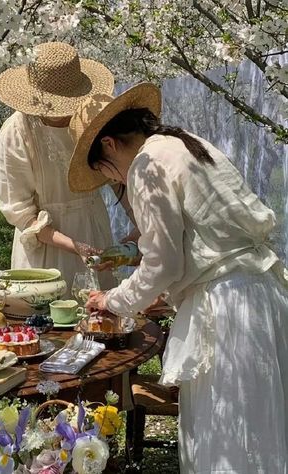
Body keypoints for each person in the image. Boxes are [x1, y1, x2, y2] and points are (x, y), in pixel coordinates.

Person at [67, 82, 288, 473]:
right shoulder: (181, 142)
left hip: (226, 312)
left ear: (108, 145)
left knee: (230, 433)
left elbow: (164, 264)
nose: (112, 179)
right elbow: (197, 232)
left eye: (104, 172)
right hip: (259, 296)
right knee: (263, 425)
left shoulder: (146, 164)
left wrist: (112, 300)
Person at [0, 41, 118, 293]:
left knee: (98, 319)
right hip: (47, 244)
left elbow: (118, 175)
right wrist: (74, 246)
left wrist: (143, 227)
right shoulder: (18, 132)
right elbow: (21, 212)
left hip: (93, 228)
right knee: (48, 319)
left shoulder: (92, 118)